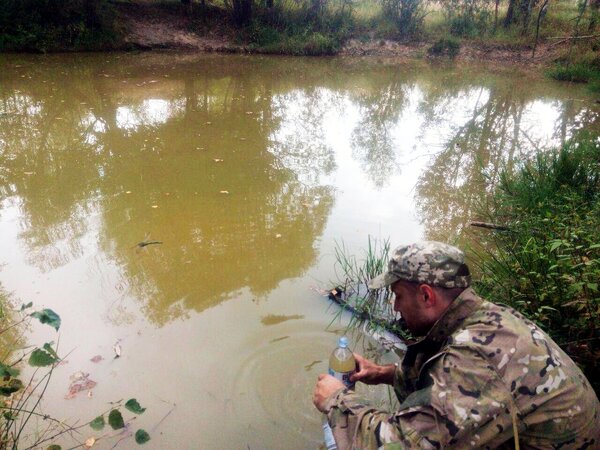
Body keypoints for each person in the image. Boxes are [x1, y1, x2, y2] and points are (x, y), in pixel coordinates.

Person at [313, 241, 600, 449]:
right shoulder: (488, 317)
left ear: (426, 296)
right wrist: (387, 374)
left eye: (397, 295)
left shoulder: (477, 357)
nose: (396, 307)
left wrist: (338, 401)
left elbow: (400, 445)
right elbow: (450, 388)